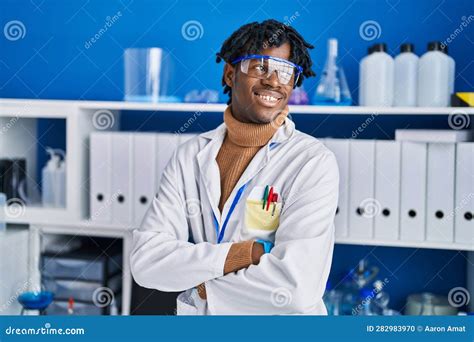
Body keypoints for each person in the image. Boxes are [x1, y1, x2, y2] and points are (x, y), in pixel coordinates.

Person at [130, 19, 339, 315]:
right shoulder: (189, 156)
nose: (274, 81)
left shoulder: (312, 162)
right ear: (230, 74)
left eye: (286, 71)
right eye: (260, 67)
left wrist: (202, 286)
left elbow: (295, 288)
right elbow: (146, 262)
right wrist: (241, 254)